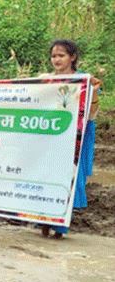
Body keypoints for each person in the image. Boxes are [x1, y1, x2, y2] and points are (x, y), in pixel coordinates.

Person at [41, 39, 103, 239]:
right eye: (54, 56)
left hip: (76, 136)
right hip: (51, 135)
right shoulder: (45, 80)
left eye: (61, 56)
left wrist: (93, 91)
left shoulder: (84, 81)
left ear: (72, 57)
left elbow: (91, 113)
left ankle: (60, 227)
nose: (56, 60)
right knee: (45, 175)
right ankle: (42, 222)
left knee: (69, 178)